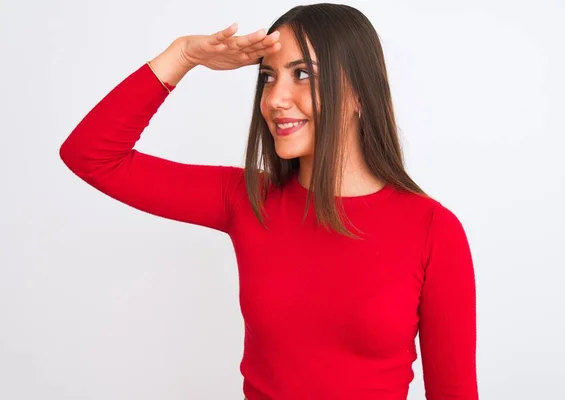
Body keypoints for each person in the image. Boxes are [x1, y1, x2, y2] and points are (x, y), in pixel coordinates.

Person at [59, 3, 478, 399]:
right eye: (268, 76)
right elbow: (91, 155)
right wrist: (182, 55)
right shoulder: (247, 200)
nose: (275, 98)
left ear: (359, 94)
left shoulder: (432, 229)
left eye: (301, 75)